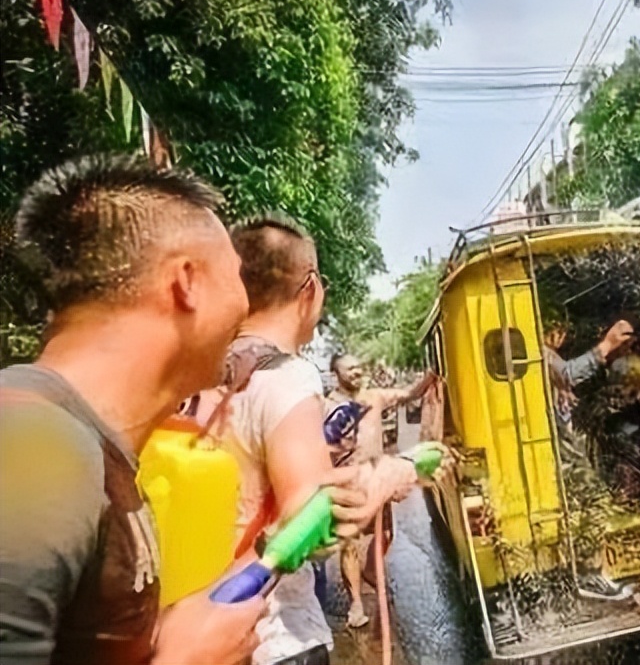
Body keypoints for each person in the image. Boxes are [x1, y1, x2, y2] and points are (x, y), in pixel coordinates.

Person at [1, 155, 296, 665]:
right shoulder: (34, 445)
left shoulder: (86, 449)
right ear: (187, 281)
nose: (247, 306)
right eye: (237, 275)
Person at [220, 218, 449, 665]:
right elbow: (314, 522)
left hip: (208, 631)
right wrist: (396, 473)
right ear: (310, 289)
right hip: (276, 637)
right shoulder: (286, 376)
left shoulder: (204, 372)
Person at [324, 354, 436, 628]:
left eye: (359, 367)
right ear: (336, 374)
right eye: (350, 369)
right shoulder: (327, 406)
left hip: (378, 478)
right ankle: (356, 604)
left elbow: (409, 395)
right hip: (347, 480)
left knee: (385, 534)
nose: (357, 372)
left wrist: (432, 375)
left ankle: (372, 570)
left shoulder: (375, 397)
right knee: (349, 542)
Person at [543, 317, 636, 600]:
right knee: (597, 498)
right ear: (551, 329)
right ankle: (589, 573)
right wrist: (606, 345)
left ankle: (575, 570)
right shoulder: (540, 352)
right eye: (561, 330)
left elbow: (562, 381)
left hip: (562, 448)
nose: (564, 336)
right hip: (559, 452)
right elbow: (569, 374)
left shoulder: (544, 355)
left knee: (577, 507)